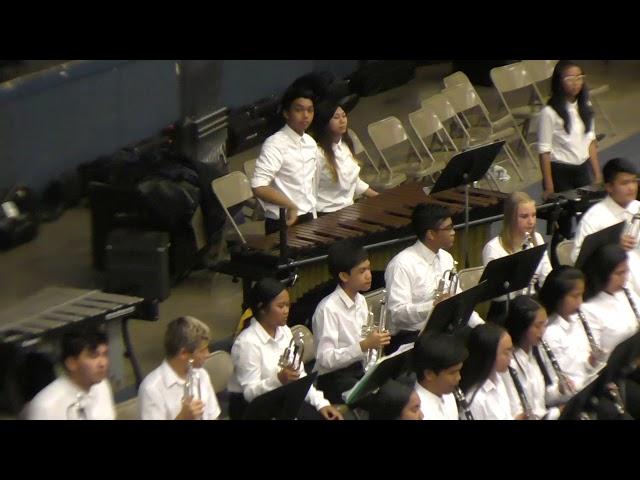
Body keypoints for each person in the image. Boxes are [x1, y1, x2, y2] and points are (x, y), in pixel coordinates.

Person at [228, 278, 343, 420]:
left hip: (281, 397)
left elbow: (299, 375)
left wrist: (322, 404)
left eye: (287, 305)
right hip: (251, 409)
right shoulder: (247, 343)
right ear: (262, 308)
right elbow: (250, 394)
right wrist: (278, 379)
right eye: (281, 306)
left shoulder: (285, 331)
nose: (286, 311)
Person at [385, 203, 484, 353]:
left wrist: (481, 326)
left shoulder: (446, 258)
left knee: (484, 342)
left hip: (443, 329)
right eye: (448, 228)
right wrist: (433, 306)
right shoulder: (401, 265)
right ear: (431, 234)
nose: (453, 232)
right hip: (413, 337)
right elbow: (397, 314)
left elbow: (459, 300)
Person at [312, 240, 390, 404]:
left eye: (368, 268)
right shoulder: (328, 309)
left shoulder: (361, 300)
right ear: (344, 276)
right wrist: (364, 345)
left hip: (359, 369)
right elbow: (325, 359)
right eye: (362, 271)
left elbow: (365, 342)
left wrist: (374, 350)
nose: (369, 275)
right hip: (334, 380)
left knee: (398, 389)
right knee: (387, 400)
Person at [251, 85, 318, 234]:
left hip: (307, 216)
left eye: (310, 110)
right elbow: (258, 186)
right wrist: (290, 205)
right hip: (283, 221)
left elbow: (309, 187)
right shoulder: (275, 144)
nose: (306, 115)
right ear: (286, 113)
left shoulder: (310, 142)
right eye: (299, 110)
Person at [571, 158, 640, 297]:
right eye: (625, 183)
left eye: (634, 181)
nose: (632, 187)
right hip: (613, 292)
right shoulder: (594, 218)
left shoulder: (637, 206)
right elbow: (578, 260)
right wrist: (613, 246)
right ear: (609, 187)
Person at [482, 191, 552, 324]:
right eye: (524, 216)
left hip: (531, 303)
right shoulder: (494, 248)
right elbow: (497, 294)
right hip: (506, 310)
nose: (531, 221)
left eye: (533, 215)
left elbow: (546, 277)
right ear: (511, 218)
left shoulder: (537, 238)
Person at [538, 60, 602, 203]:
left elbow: (591, 142)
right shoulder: (549, 112)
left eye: (579, 78)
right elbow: (544, 152)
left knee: (587, 214)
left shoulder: (586, 106)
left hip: (583, 169)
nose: (576, 83)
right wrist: (549, 187)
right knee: (564, 222)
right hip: (560, 171)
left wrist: (597, 175)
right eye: (570, 79)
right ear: (559, 82)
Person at [25, 324, 115, 420]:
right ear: (71, 363)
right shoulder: (45, 407)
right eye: (93, 356)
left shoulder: (102, 386)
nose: (103, 363)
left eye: (105, 354)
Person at [138, 316, 220, 420]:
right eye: (202, 350)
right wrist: (182, 418)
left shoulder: (201, 374)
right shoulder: (151, 389)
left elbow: (213, 416)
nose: (208, 354)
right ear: (184, 353)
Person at [502, 296, 567, 420]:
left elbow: (543, 399)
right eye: (538, 326)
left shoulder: (535, 352)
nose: (543, 331)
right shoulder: (509, 364)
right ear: (522, 327)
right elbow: (524, 414)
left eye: (545, 325)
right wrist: (558, 412)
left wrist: (560, 389)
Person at [539, 266, 602, 391]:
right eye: (575, 296)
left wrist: (591, 363)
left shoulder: (577, 319)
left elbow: (583, 367)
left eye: (581, 295)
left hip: (590, 383)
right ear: (558, 297)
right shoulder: (550, 333)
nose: (580, 302)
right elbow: (565, 379)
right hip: (576, 393)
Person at [310, 98, 378, 214]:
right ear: (324, 123)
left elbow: (354, 182)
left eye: (344, 116)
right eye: (336, 118)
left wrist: (378, 197)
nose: (342, 121)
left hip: (349, 209)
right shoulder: (317, 154)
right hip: (327, 215)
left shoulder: (345, 145)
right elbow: (311, 192)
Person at [580, 244, 640, 361]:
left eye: (626, 271)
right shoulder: (588, 309)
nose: (625, 278)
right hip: (619, 368)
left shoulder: (625, 291)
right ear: (603, 273)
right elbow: (598, 357)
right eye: (619, 273)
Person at [459, 323, 525, 420]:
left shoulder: (499, 378)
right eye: (506, 352)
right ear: (489, 356)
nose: (511, 357)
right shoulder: (475, 400)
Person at [411, 333, 468, 420]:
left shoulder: (447, 394)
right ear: (429, 374)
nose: (459, 377)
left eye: (459, 371)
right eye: (452, 373)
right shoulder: (419, 413)